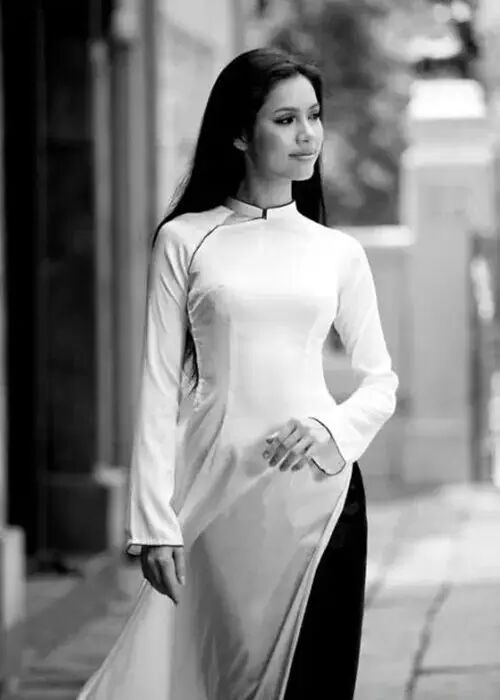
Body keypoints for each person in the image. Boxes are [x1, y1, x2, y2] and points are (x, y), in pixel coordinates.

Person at [77, 47, 399, 700]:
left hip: (321, 496)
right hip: (219, 494)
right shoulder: (185, 240)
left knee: (316, 681)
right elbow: (158, 387)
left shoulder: (338, 252)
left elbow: (380, 382)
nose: (307, 135)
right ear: (239, 133)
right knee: (221, 678)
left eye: (314, 116)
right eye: (285, 119)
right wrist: (153, 526)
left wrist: (328, 429)